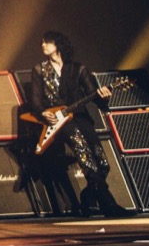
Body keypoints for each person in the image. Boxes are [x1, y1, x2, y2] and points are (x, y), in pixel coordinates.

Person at [28, 31, 134, 217]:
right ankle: (109, 205)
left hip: (82, 118)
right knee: (86, 156)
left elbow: (96, 97)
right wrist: (43, 112)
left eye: (48, 42)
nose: (43, 45)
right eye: (42, 42)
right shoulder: (39, 70)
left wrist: (105, 96)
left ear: (59, 44)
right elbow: (35, 101)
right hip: (60, 121)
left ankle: (87, 197)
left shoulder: (78, 69)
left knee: (102, 163)